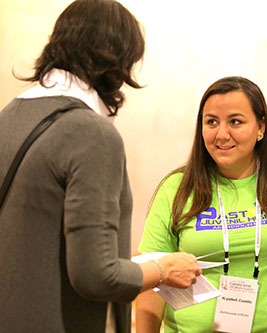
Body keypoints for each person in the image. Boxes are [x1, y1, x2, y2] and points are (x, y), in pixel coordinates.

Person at [0, 1, 200, 332]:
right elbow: (96, 276)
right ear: (117, 62)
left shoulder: (8, 117)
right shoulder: (91, 134)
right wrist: (164, 270)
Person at [136, 76, 267, 332]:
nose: (222, 134)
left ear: (261, 128)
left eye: (235, 122)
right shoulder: (176, 188)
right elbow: (152, 281)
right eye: (211, 122)